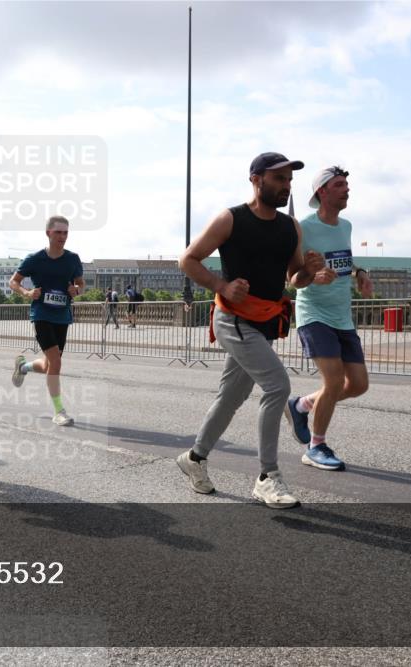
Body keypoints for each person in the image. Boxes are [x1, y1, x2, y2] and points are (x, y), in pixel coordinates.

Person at [177, 152, 321, 509]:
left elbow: (294, 278)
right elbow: (188, 260)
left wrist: (310, 272)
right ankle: (266, 477)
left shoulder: (291, 228)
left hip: (264, 323)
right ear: (256, 179)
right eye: (279, 179)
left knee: (231, 398)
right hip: (233, 320)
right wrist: (222, 286)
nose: (286, 187)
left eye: (289, 181)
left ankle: (194, 458)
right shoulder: (231, 219)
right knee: (277, 385)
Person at [284, 166, 374, 471]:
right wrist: (313, 275)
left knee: (358, 384)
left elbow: (343, 259)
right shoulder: (302, 226)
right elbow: (293, 279)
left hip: (342, 315)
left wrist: (360, 273)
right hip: (314, 313)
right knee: (334, 381)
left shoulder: (345, 225)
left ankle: (301, 405)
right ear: (322, 192)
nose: (347, 189)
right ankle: (316, 446)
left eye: (347, 184)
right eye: (339, 185)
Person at [9, 215, 85, 426]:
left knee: (50, 364)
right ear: (48, 233)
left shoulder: (73, 259)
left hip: (62, 316)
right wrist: (27, 292)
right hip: (41, 314)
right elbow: (13, 281)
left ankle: (23, 367)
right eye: (58, 232)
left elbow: (81, 284)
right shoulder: (34, 259)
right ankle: (59, 411)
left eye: (66, 232)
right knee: (57, 362)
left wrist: (76, 290)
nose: (62, 236)